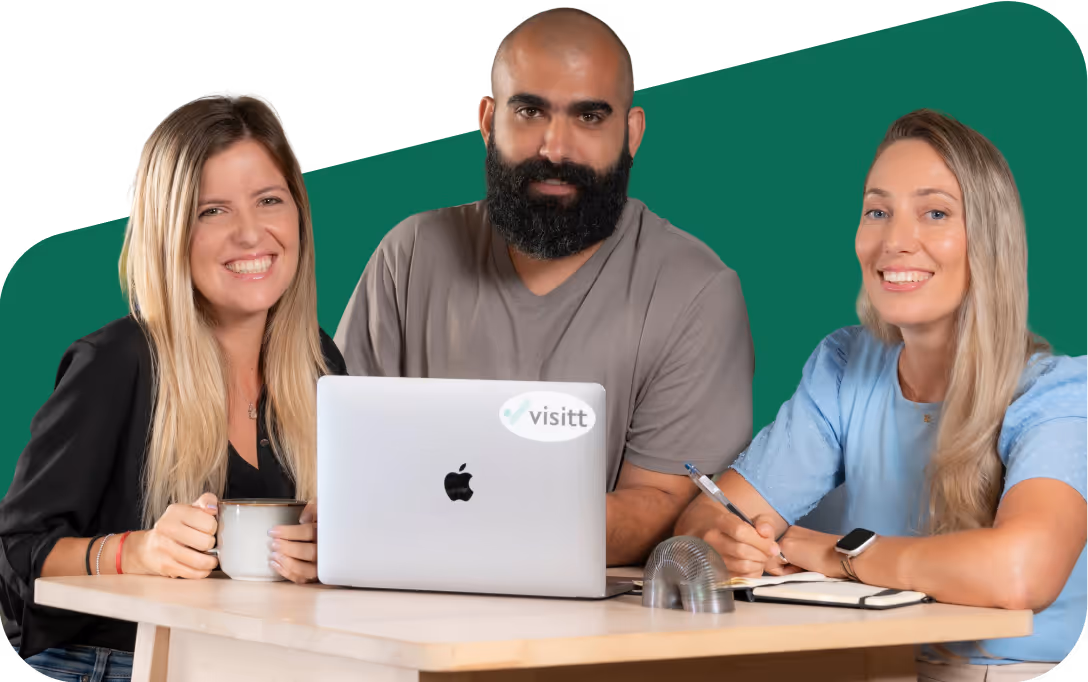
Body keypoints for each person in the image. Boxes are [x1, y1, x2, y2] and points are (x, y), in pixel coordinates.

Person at [674, 109, 1088, 682]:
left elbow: (1021, 573)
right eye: (878, 211)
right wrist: (725, 542)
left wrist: (840, 554)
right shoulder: (844, 366)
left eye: (935, 212)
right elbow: (713, 516)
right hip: (873, 665)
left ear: (990, 241)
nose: (895, 241)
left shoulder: (1060, 394)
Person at [334, 7, 755, 567]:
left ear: (631, 133)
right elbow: (339, 457)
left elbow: (664, 506)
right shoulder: (408, 257)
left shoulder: (696, 292)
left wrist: (453, 519)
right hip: (399, 601)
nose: (555, 149)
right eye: (530, 110)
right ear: (487, 120)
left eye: (588, 117)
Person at [0, 88, 347, 681]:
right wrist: (136, 551)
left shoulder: (320, 365)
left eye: (269, 199)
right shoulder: (117, 362)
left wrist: (332, 552)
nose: (250, 234)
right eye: (212, 211)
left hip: (258, 664)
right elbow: (15, 559)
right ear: (168, 230)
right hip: (109, 665)